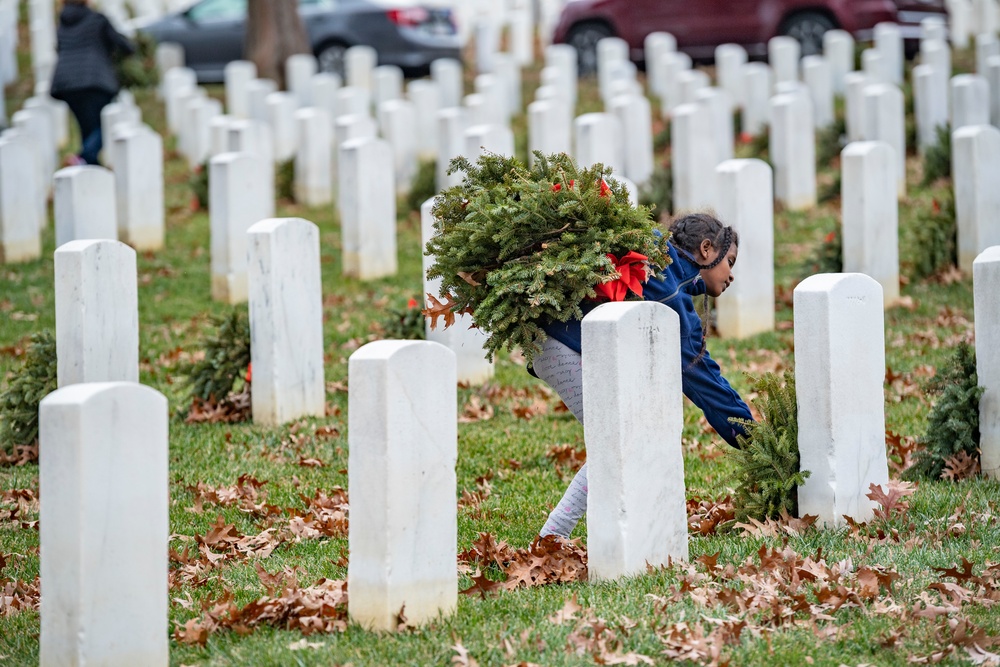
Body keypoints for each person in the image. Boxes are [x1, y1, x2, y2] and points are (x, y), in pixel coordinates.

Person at [531, 212, 755, 539]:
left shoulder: (666, 274)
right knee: (617, 441)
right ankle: (550, 539)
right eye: (730, 262)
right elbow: (697, 372)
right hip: (565, 346)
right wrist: (750, 435)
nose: (731, 275)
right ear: (707, 249)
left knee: (624, 437)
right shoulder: (669, 286)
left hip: (565, 345)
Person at [49, 0, 134, 166]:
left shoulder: (62, 23)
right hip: (95, 80)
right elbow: (122, 44)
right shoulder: (97, 19)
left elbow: (59, 48)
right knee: (104, 126)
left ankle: (90, 167)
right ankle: (84, 158)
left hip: (67, 83)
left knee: (87, 127)